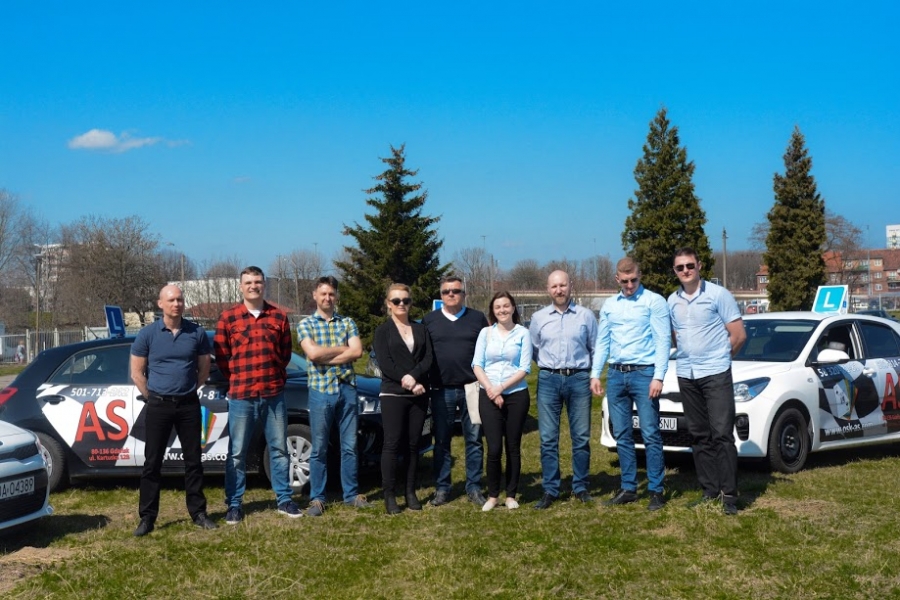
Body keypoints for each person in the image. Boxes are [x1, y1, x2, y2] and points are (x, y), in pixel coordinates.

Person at [214, 266, 302, 523]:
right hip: (242, 395)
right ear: (241, 286)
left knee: (279, 449)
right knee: (237, 453)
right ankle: (234, 504)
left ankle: (284, 499)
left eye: (258, 282)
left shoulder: (279, 317)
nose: (253, 286)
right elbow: (222, 358)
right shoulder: (228, 318)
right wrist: (239, 377)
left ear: (264, 285)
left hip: (273, 394)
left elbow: (285, 354)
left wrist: (273, 376)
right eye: (248, 282)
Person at [129, 285, 217, 536]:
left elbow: (204, 369)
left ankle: (198, 513)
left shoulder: (196, 333)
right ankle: (147, 518)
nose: (176, 304)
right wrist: (154, 396)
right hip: (158, 405)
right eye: (171, 300)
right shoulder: (147, 334)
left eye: (180, 299)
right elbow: (137, 372)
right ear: (160, 304)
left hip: (188, 404)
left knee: (194, 461)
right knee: (152, 463)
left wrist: (188, 390)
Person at [668, 248, 747, 515]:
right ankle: (709, 491)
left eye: (690, 265)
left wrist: (721, 359)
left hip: (715, 374)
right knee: (699, 435)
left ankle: (729, 496)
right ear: (675, 271)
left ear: (699, 266)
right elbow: (676, 337)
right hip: (686, 374)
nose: (686, 271)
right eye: (680, 267)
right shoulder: (672, 301)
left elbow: (738, 335)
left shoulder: (718, 295)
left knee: (722, 434)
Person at [590, 258, 670, 511]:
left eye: (634, 280)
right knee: (622, 434)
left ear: (640, 275)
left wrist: (659, 376)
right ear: (617, 279)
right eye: (624, 281)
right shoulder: (610, 305)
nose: (630, 285)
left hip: (644, 374)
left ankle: (656, 489)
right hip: (616, 374)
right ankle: (628, 488)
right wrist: (595, 374)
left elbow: (662, 340)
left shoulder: (654, 301)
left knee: (650, 432)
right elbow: (603, 341)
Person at [297, 276, 371, 516]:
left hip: (347, 389)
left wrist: (326, 355)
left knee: (349, 446)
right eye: (323, 294)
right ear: (315, 296)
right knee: (319, 448)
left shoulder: (347, 322)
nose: (327, 298)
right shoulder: (306, 324)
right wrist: (342, 350)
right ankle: (317, 498)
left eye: (331, 294)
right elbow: (313, 354)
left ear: (336, 296)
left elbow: (357, 351)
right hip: (320, 391)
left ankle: (351, 494)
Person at [529, 270, 597, 509]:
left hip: (578, 379)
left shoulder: (586, 316)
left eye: (563, 285)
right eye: (554, 286)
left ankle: (581, 486)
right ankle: (550, 489)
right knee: (548, 438)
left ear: (570, 286)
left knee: (581, 437)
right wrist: (549, 369)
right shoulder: (538, 318)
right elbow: (534, 350)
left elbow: (595, 348)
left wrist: (588, 374)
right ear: (548, 289)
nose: (559, 290)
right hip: (548, 379)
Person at [423, 275, 489, 508]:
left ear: (464, 294)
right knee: (441, 440)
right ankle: (442, 488)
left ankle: (474, 487)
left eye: (456, 291)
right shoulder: (429, 320)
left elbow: (488, 350)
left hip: (472, 387)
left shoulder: (477, 318)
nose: (451, 294)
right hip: (441, 390)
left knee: (474, 439)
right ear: (441, 295)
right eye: (446, 291)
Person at [372, 283, 433, 515]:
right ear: (388, 304)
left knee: (413, 444)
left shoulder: (420, 329)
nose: (401, 304)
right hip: (393, 393)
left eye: (405, 300)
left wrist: (415, 377)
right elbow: (385, 362)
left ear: (411, 302)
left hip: (418, 394)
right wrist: (407, 381)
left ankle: (410, 491)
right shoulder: (383, 331)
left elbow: (428, 358)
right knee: (392, 443)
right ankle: (389, 495)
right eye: (396, 300)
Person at [472, 291, 532, 512]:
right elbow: (477, 364)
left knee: (512, 446)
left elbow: (524, 368)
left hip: (516, 395)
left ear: (513, 308)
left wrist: (501, 388)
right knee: (494, 447)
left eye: (506, 306)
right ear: (493, 310)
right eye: (498, 307)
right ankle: (493, 495)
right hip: (488, 394)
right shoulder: (485, 333)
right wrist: (492, 390)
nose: (502, 310)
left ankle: (511, 494)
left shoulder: (523, 333)